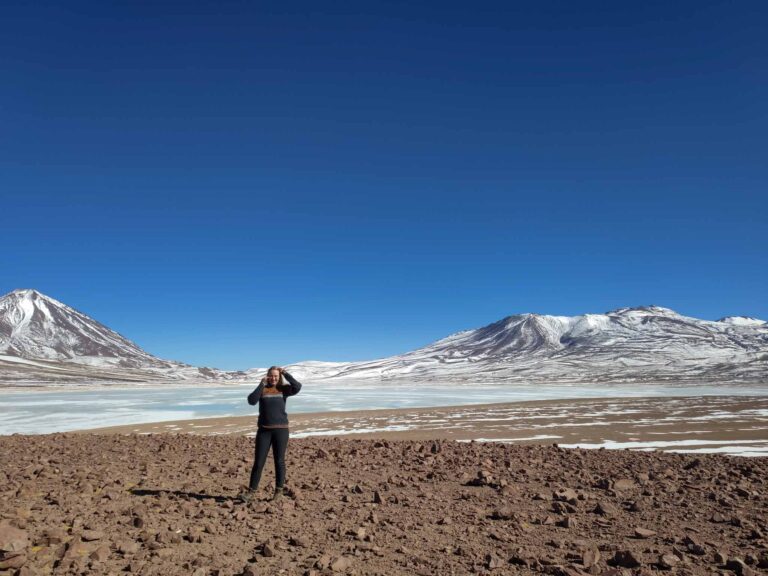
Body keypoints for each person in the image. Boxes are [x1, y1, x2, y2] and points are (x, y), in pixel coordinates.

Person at [240, 366, 302, 502]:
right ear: (267, 376)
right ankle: (251, 492)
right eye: (271, 376)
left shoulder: (284, 389)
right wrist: (261, 384)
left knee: (279, 461)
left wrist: (285, 373)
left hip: (281, 430)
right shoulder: (263, 388)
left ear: (279, 377)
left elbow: (297, 386)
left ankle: (278, 492)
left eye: (276, 376)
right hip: (264, 430)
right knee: (259, 462)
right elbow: (251, 400)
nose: (274, 378)